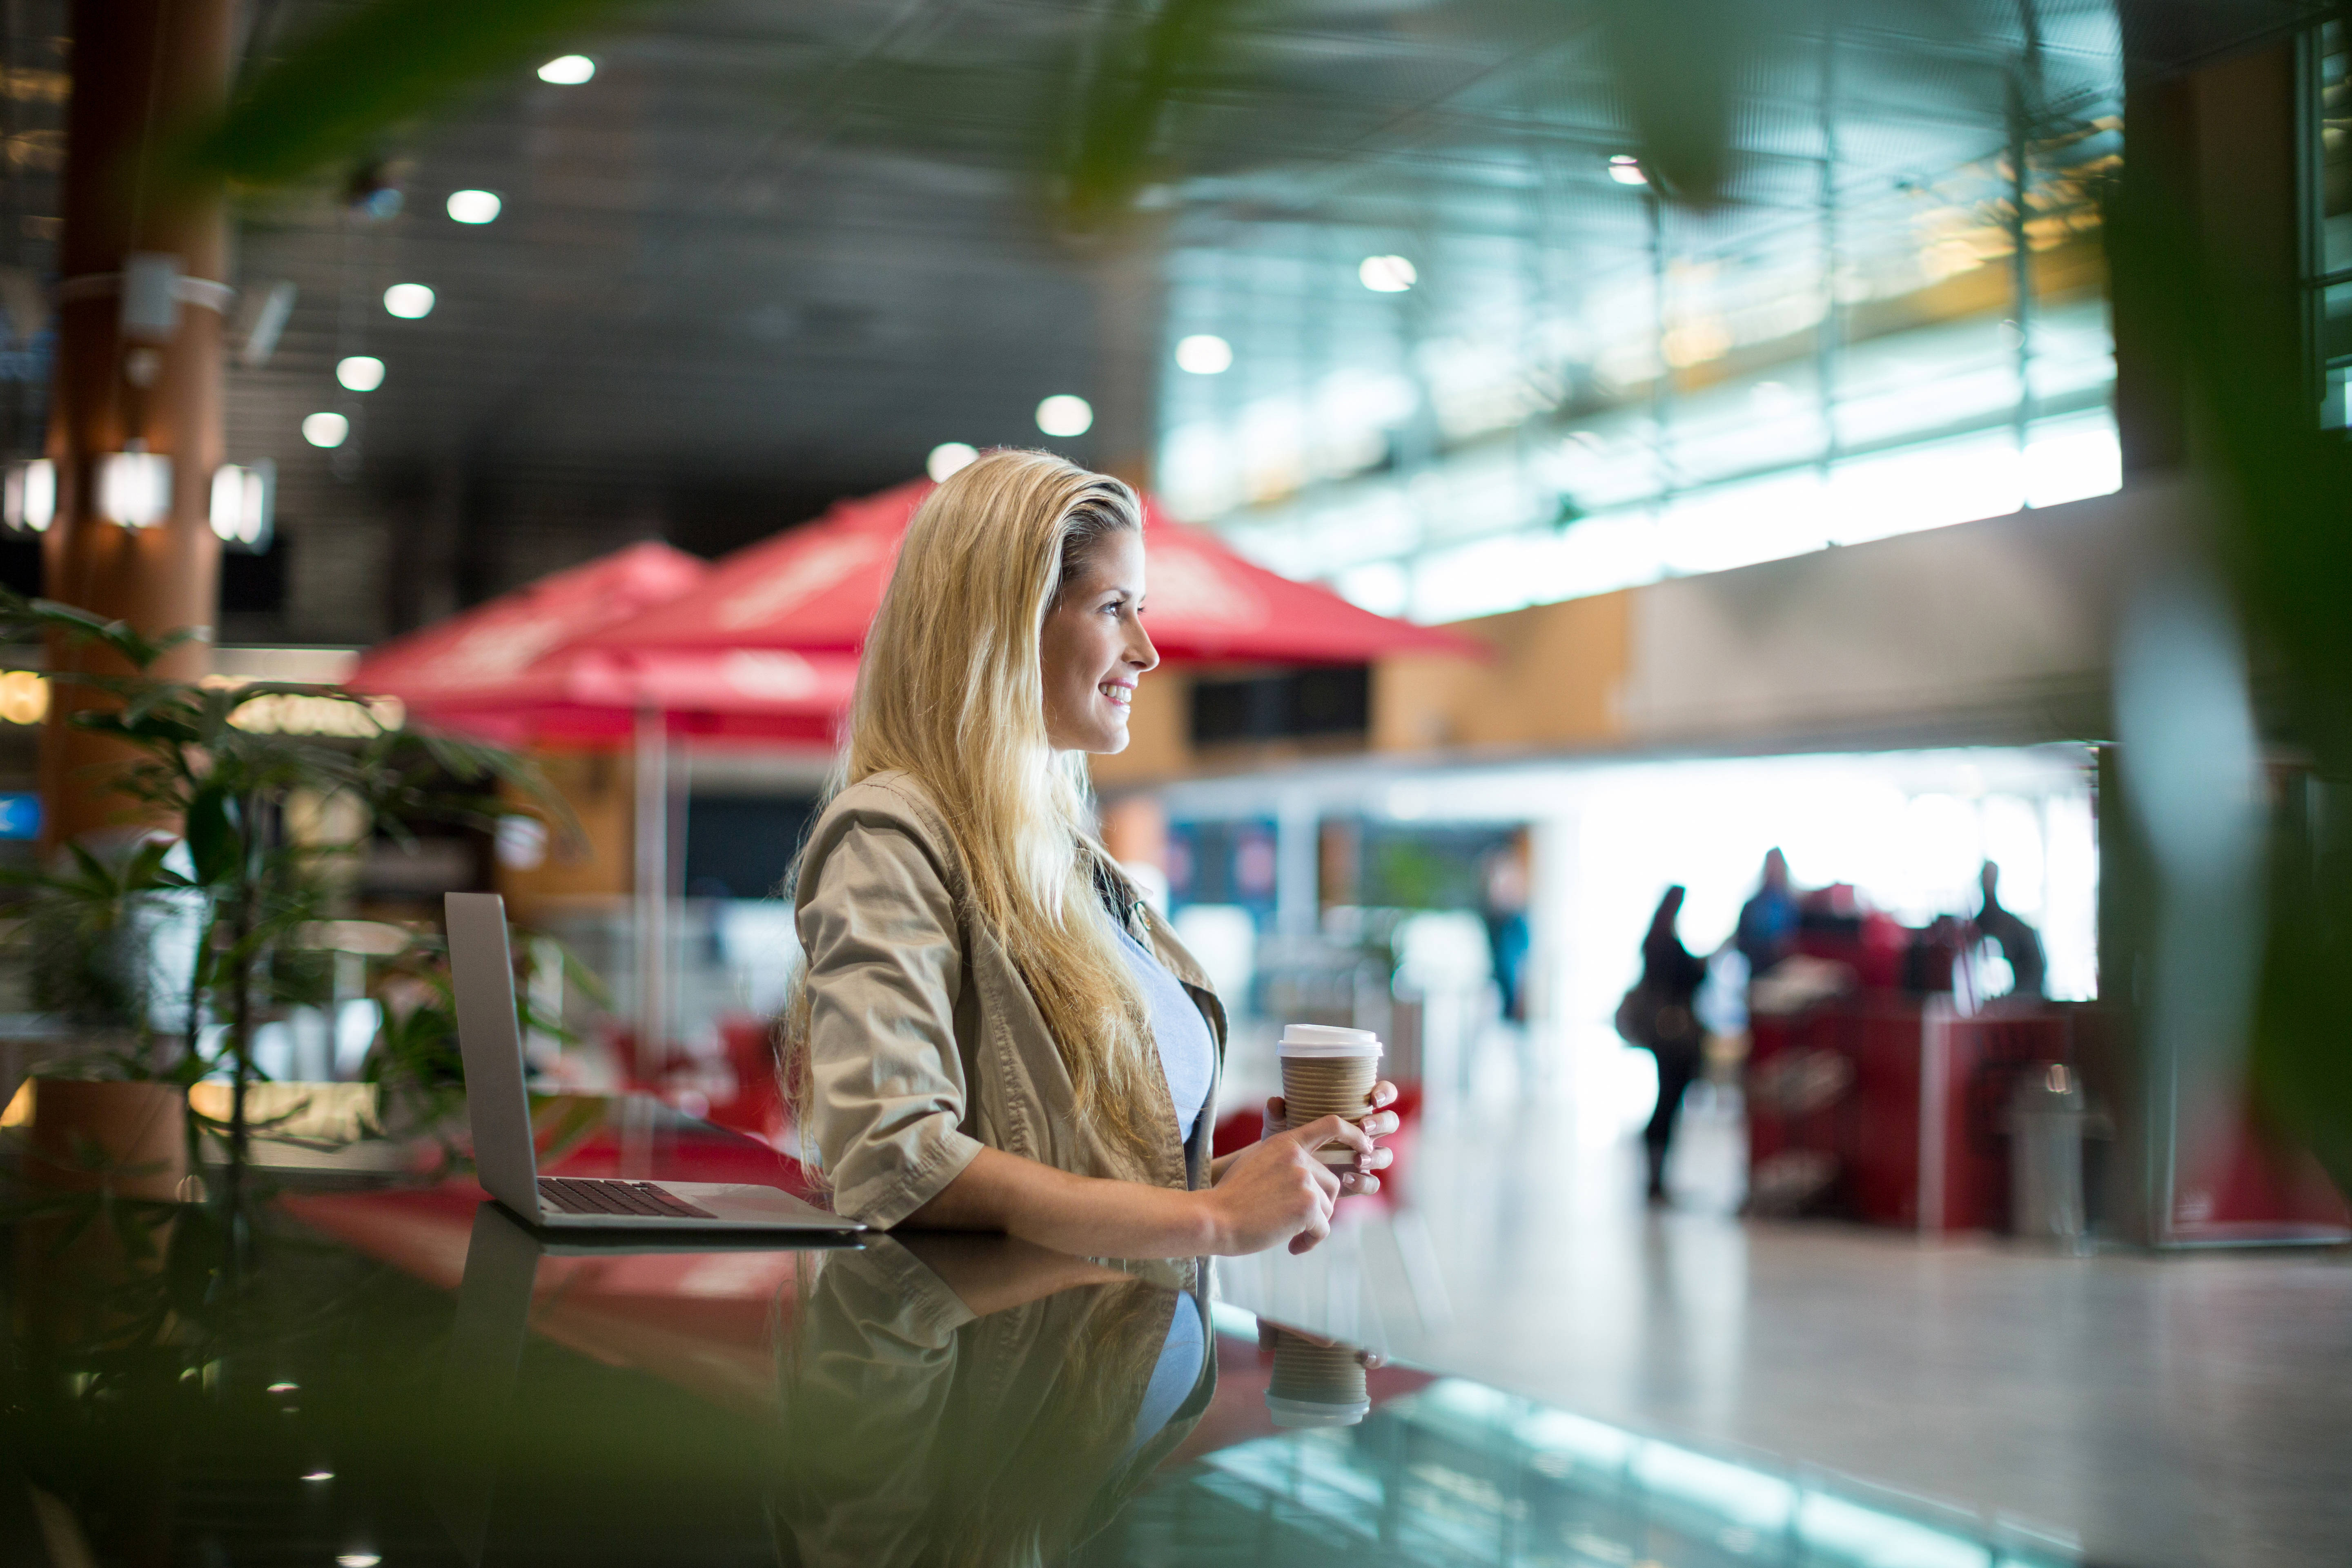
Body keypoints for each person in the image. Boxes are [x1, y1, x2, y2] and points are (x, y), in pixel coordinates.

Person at [783, 450, 1397, 1257]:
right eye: (1113, 607)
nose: (1147, 650)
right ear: (1003, 624)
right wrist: (1210, 1221)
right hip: (997, 1378)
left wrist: (1249, 1178)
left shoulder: (1069, 864)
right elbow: (894, 1160)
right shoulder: (891, 838)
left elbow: (1091, 1185)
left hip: (1119, 1364)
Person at [1626, 885, 1708, 1204]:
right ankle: (1655, 1176)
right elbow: (1689, 979)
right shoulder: (1667, 945)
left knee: (1667, 1100)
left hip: (1663, 1035)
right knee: (1668, 1103)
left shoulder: (1653, 941)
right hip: (1673, 1035)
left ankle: (1656, 1175)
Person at [1974, 861, 2047, 1000]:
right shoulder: (1972, 929)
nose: (1988, 882)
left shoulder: (2018, 929)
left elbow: (2037, 969)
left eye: (1991, 877)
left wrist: (2015, 1001)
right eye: (1985, 877)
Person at [1733, 848, 1799, 978]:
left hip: (1787, 970)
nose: (1774, 869)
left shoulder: (1792, 905)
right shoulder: (1752, 905)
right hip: (1759, 973)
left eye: (1778, 864)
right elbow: (1741, 942)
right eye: (1771, 864)